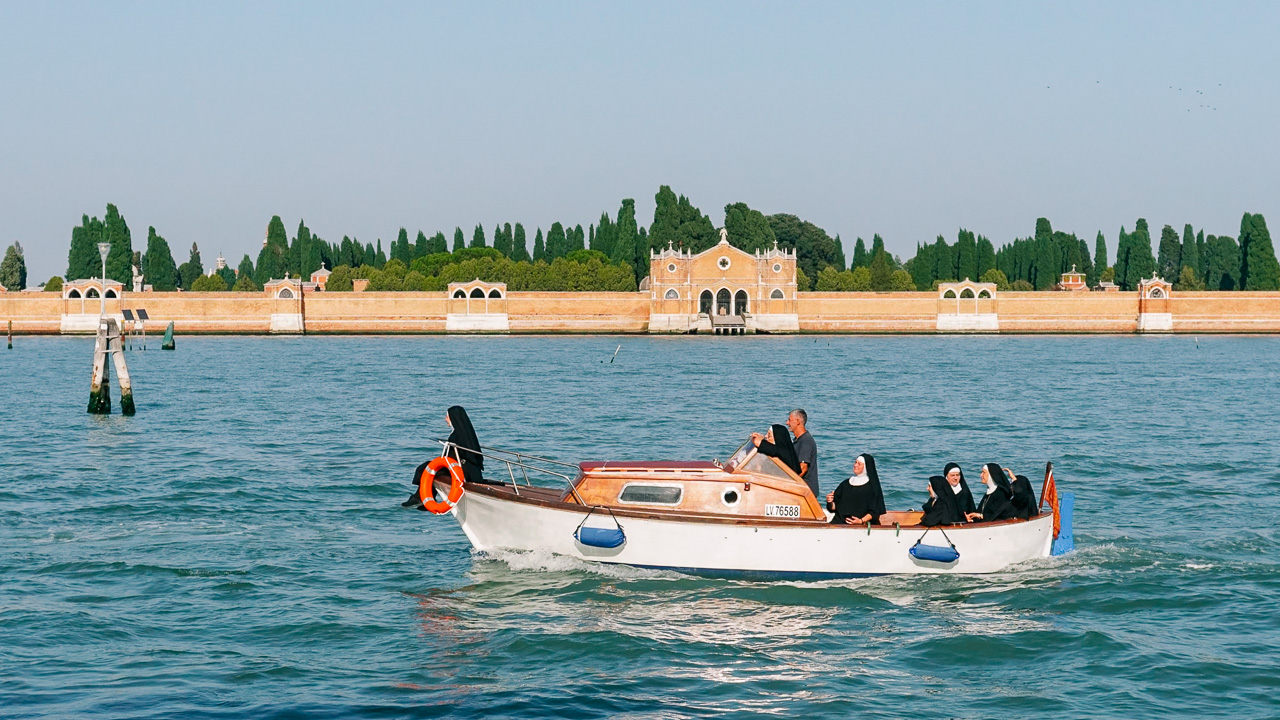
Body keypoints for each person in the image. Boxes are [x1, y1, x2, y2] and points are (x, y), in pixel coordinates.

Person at [403, 406, 487, 509]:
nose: (445, 419)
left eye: (447, 416)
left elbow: (451, 458)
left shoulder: (456, 436)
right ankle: (425, 499)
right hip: (470, 470)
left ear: (453, 418)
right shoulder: (467, 434)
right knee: (431, 468)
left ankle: (420, 498)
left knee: (426, 468)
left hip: (463, 472)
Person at [753, 409, 819, 497]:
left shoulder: (805, 441)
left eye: (789, 420)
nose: (787, 423)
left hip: (805, 490)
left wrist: (788, 484)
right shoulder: (797, 440)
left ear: (798, 421)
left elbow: (803, 468)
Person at [826, 454, 886, 525]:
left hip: (861, 525)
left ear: (866, 467)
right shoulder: (845, 484)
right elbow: (834, 508)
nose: (855, 465)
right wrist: (830, 501)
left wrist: (861, 521)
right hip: (839, 523)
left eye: (859, 464)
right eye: (855, 462)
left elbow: (875, 511)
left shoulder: (872, 487)